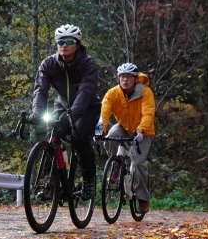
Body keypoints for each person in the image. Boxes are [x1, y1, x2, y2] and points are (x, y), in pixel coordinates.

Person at [30, 24, 98, 194]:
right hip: (62, 104)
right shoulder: (49, 63)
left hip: (88, 106)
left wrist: (74, 114)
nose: (64, 44)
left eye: (69, 41)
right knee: (53, 133)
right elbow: (41, 90)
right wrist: (37, 113)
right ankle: (50, 182)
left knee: (77, 136)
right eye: (60, 41)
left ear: (77, 44)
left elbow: (86, 91)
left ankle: (89, 178)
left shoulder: (87, 63)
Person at [99, 62, 155, 214]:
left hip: (143, 132)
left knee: (137, 163)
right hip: (123, 127)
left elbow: (148, 113)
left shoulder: (145, 92)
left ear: (136, 78)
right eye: (122, 76)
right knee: (111, 136)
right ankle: (116, 165)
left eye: (129, 76)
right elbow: (104, 111)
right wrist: (100, 129)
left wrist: (142, 130)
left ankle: (143, 199)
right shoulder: (112, 93)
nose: (125, 80)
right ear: (118, 79)